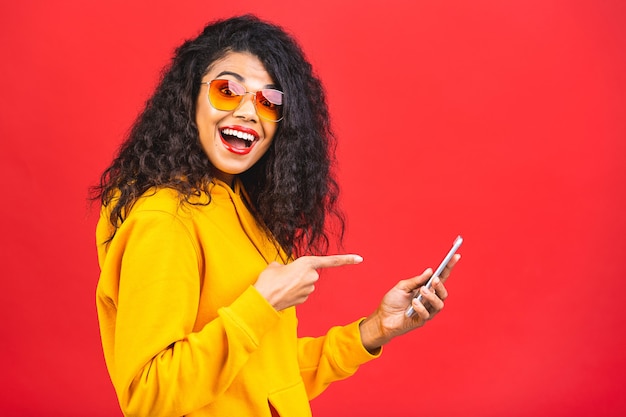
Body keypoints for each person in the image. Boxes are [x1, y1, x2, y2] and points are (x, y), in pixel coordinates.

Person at [93, 14, 461, 417]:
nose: (250, 112)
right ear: (188, 98)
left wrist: (374, 330)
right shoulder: (165, 219)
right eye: (227, 90)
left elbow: (266, 378)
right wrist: (262, 302)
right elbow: (149, 395)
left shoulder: (242, 210)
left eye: (269, 101)